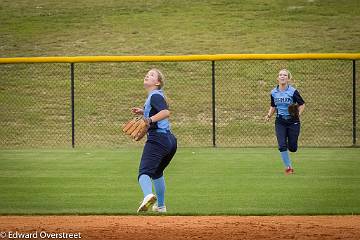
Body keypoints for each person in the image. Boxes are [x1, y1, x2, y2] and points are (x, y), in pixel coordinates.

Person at [132, 68, 177, 213]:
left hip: (158, 139)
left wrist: (149, 119)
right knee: (157, 173)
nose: (147, 75)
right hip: (169, 141)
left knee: (144, 172)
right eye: (147, 73)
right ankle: (161, 206)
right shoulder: (154, 96)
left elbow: (165, 112)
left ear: (157, 82)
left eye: (151, 75)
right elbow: (158, 110)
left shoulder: (155, 96)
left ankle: (148, 196)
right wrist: (143, 111)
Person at [265, 69, 305, 174]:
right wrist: (269, 115)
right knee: (282, 145)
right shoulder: (273, 92)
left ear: (288, 78)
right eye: (280, 75)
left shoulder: (293, 91)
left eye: (285, 75)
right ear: (277, 78)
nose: (282, 77)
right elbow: (273, 106)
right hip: (280, 121)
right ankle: (289, 167)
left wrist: (298, 115)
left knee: (292, 148)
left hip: (293, 122)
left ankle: (289, 143)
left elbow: (302, 104)